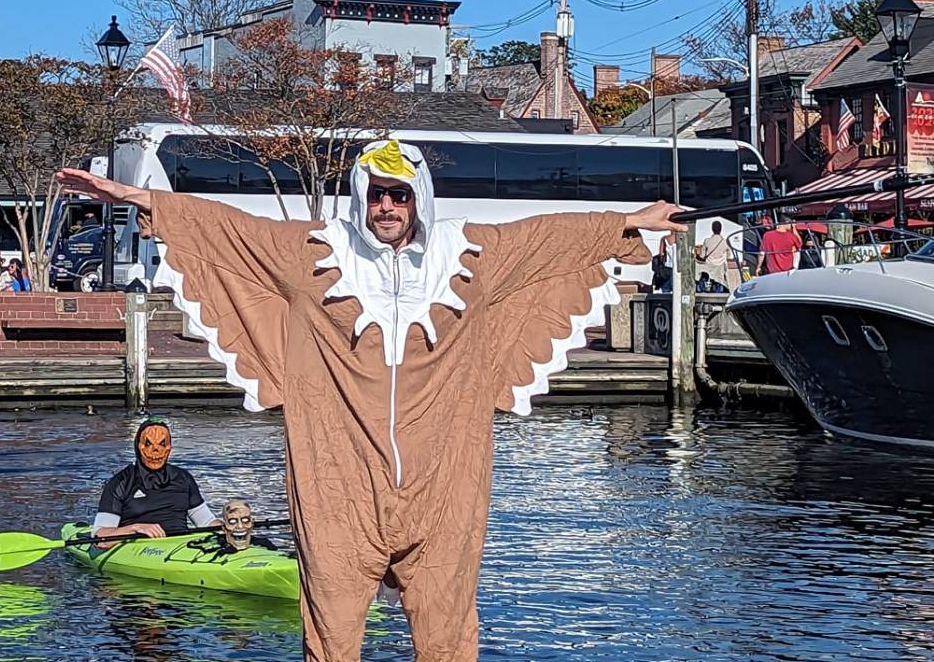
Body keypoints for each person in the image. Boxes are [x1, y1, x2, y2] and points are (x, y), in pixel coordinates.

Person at [56, 141, 681, 661]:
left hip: (446, 484)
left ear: (419, 198)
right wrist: (142, 199)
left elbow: (546, 239)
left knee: (448, 632)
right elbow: (230, 231)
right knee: (330, 629)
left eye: (400, 193)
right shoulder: (315, 255)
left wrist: (628, 223)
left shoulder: (467, 256)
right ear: (360, 197)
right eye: (376, 193)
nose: (386, 206)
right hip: (337, 484)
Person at [93, 418, 218, 545]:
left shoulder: (183, 478)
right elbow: (100, 538)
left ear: (169, 447)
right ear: (138, 446)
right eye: (148, 444)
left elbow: (207, 523)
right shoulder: (120, 482)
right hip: (138, 546)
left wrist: (232, 525)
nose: (155, 450)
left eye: (162, 444)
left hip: (180, 545)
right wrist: (135, 528)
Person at [697, 220, 738, 294]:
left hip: (709, 265)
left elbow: (702, 255)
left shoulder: (707, 240)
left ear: (712, 229)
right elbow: (729, 255)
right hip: (721, 266)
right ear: (721, 229)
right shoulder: (725, 241)